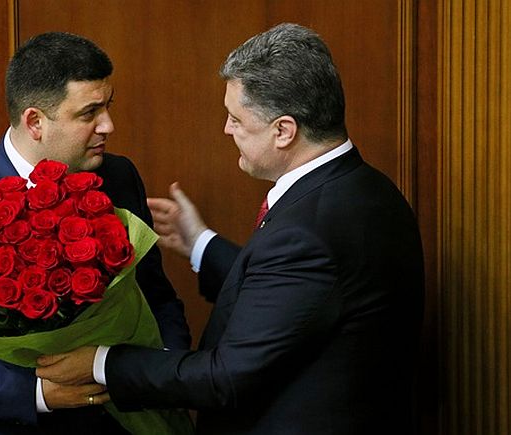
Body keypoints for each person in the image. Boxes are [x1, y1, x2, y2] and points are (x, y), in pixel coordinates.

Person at [36, 23, 425, 434]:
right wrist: (200, 243)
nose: (227, 129)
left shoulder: (307, 232)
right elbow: (293, 298)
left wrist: (102, 363)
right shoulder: (367, 189)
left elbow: (223, 378)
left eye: (237, 119)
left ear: (283, 131)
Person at [0, 32, 191, 434]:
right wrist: (40, 394)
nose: (108, 125)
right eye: (89, 113)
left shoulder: (120, 176)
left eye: (108, 105)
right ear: (35, 122)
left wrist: (162, 370)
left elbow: (156, 296)